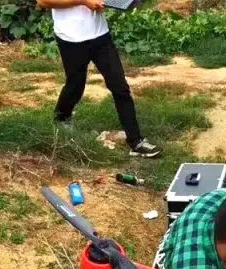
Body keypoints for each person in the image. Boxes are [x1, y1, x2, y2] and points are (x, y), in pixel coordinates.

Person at [36, 0, 161, 157]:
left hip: (101, 36)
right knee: (75, 84)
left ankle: (136, 141)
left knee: (119, 86)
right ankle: (61, 117)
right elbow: (43, 2)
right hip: (71, 39)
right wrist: (83, 2)